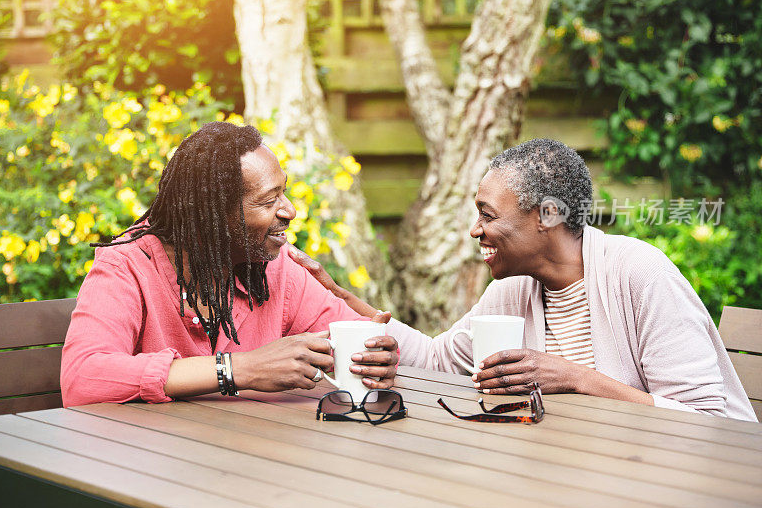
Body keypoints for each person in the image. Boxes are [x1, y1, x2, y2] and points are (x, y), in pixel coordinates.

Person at [291, 139, 757, 421]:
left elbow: (702, 420)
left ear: (548, 215)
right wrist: (345, 301)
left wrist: (573, 378)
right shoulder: (514, 289)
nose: (475, 230)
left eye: (487, 215)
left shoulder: (641, 272)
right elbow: (438, 360)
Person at [61, 122, 398, 406]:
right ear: (212, 219)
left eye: (284, 192)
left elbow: (350, 338)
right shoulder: (127, 266)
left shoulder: (276, 269)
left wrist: (374, 358)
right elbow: (82, 377)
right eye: (269, 200)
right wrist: (237, 369)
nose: (290, 210)